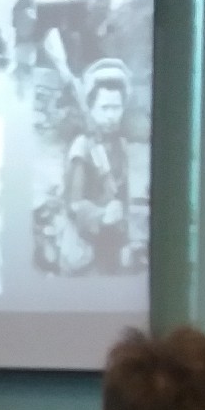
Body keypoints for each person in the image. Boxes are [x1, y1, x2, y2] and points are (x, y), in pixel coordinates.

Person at [63, 59, 134, 273]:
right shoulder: (82, 147)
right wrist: (101, 215)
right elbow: (74, 205)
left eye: (116, 107)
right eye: (104, 108)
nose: (111, 115)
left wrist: (126, 236)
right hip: (86, 249)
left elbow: (124, 196)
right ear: (91, 109)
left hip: (114, 245)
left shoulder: (121, 146)